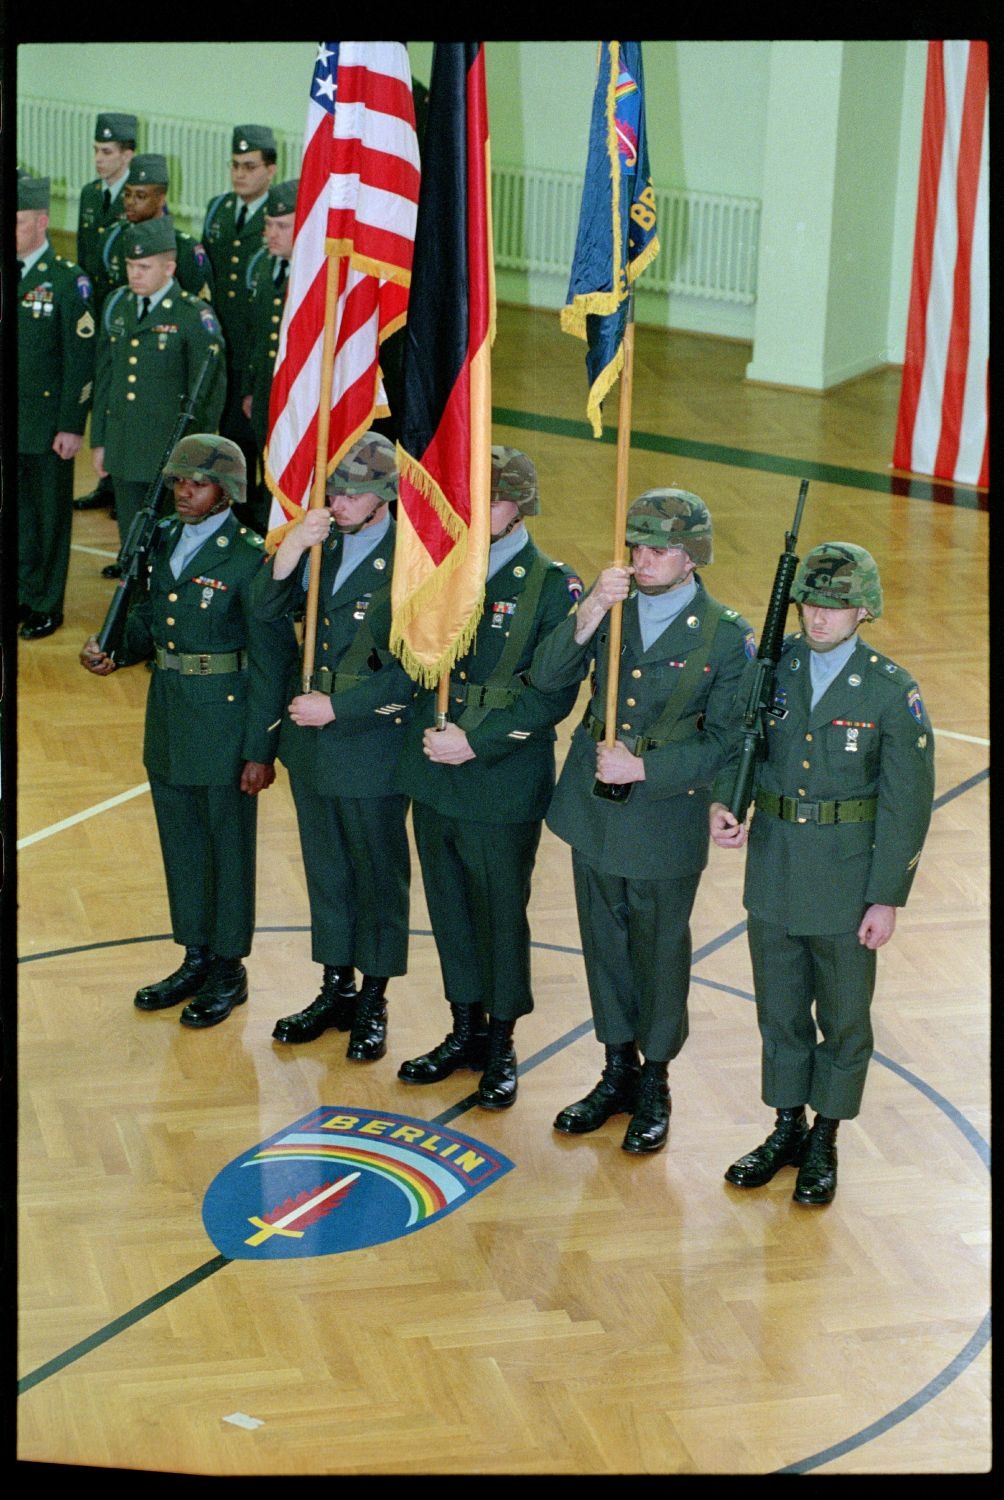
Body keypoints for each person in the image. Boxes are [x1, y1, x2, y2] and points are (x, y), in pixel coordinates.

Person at [530, 489, 755, 1154]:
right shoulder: (613, 607)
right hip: (595, 811)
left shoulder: (724, 635)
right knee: (603, 947)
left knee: (657, 954)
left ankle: (655, 1080)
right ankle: (615, 1072)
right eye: (636, 544)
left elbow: (730, 740)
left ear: (693, 558)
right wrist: (590, 607)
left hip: (663, 818)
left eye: (659, 547)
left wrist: (647, 769)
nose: (642, 557)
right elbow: (547, 677)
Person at [710, 542, 935, 1204]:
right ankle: (786, 1129)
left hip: (845, 882)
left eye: (835, 607)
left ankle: (825, 1140)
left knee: (842, 1019)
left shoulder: (892, 693)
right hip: (775, 869)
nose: (818, 618)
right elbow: (739, 743)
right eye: (810, 603)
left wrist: (886, 898)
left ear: (864, 610)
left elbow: (905, 806)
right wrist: (728, 800)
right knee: (779, 1013)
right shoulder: (772, 671)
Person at [79, 435, 293, 1027]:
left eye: (196, 483)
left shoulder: (249, 557)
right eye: (178, 481)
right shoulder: (164, 539)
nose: (183, 491)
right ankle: (194, 954)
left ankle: (229, 968)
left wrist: (260, 749)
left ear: (225, 490)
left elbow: (273, 660)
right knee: (183, 847)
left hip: (226, 722)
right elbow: (151, 617)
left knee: (227, 850)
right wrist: (114, 648)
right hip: (171, 712)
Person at [396, 447, 582, 1110]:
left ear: (522, 506)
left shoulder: (551, 586)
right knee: (448, 908)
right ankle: (462, 1029)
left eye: (495, 500)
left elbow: (550, 696)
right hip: (434, 775)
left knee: (499, 914)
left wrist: (473, 742)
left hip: (500, 780)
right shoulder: (441, 569)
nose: (480, 512)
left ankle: (501, 1043)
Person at [251, 431, 413, 1062]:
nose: (340, 502)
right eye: (335, 490)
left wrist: (339, 707)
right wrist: (293, 546)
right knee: (327, 871)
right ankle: (334, 988)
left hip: (371, 740)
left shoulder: (411, 561)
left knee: (377, 876)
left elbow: (416, 673)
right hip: (311, 743)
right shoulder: (323, 546)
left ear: (385, 496)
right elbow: (264, 610)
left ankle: (373, 1000)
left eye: (354, 492)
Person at [90, 215, 226, 578]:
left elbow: (209, 394)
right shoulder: (118, 306)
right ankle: (133, 620)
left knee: (170, 545)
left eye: (144, 267)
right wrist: (100, 441)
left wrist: (199, 458)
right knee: (131, 543)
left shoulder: (192, 316)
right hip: (124, 444)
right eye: (131, 265)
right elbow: (106, 379)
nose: (135, 274)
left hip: (171, 453)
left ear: (169, 267)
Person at [16, 174, 96, 640]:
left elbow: (80, 360)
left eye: (20, 220)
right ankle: (21, 595)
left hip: (48, 427)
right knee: (19, 517)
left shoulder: (69, 282)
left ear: (42, 222)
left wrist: (71, 424)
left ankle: (47, 603)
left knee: (48, 520)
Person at [203, 124, 278, 488]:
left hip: (256, 342)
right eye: (235, 165)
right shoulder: (217, 209)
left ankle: (259, 505)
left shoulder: (279, 216)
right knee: (226, 427)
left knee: (254, 430)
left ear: (271, 169)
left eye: (249, 166)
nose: (240, 174)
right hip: (221, 340)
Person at [74, 110, 136, 515]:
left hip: (125, 313)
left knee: (122, 398)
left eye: (108, 151)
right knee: (101, 395)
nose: (99, 159)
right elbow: (84, 256)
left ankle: (124, 483)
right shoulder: (90, 195)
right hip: (96, 312)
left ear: (127, 154)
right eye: (96, 150)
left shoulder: (138, 197)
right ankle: (105, 481)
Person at [241, 177, 298, 532]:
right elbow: (255, 334)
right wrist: (250, 387)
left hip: (297, 391)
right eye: (268, 225)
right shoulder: (263, 267)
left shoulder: (317, 275)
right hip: (265, 387)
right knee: (266, 459)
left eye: (282, 226)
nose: (272, 234)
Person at [100, 154, 215, 302]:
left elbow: (199, 312)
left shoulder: (186, 250)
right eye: (127, 194)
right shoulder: (111, 240)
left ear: (161, 199)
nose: (130, 202)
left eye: (140, 196)